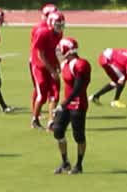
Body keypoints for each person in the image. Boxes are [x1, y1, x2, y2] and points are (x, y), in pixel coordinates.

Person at [51, 37, 91, 175]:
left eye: (60, 48)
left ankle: (79, 165)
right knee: (57, 130)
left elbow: (78, 88)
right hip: (67, 104)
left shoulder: (81, 64)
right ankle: (65, 162)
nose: (58, 51)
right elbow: (66, 87)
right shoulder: (65, 64)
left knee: (78, 136)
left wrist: (64, 103)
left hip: (78, 104)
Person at [30, 12, 65, 130]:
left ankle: (51, 121)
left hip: (51, 66)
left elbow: (57, 50)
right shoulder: (42, 32)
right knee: (42, 95)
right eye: (57, 24)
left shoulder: (59, 34)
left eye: (61, 25)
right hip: (39, 67)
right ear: (50, 23)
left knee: (55, 94)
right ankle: (35, 119)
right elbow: (41, 55)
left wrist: (60, 64)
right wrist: (52, 70)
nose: (59, 27)